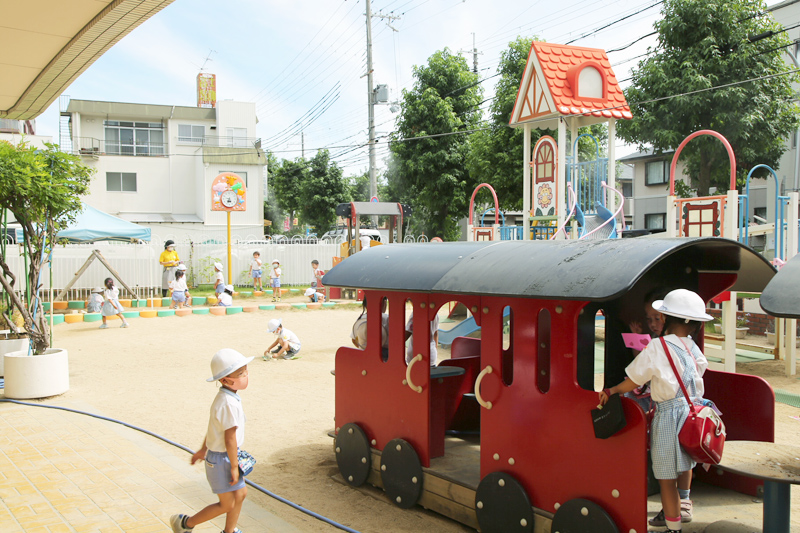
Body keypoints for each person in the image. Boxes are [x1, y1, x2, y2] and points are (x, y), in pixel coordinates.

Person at [599, 289, 713, 532]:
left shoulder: (658, 347)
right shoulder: (692, 347)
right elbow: (699, 371)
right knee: (686, 464)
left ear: (666, 318)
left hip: (669, 416)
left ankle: (674, 528)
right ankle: (685, 504)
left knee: (665, 479)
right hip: (693, 413)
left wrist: (612, 390)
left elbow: (634, 379)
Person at [170, 348, 252, 533]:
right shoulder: (227, 403)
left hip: (227, 456)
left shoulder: (229, 398)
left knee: (240, 494)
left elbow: (214, 430)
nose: (246, 375)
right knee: (227, 504)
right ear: (225, 380)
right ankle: (185, 524)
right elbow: (229, 438)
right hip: (223, 459)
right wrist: (233, 466)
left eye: (246, 370)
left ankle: (229, 531)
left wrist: (202, 450)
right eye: (240, 373)